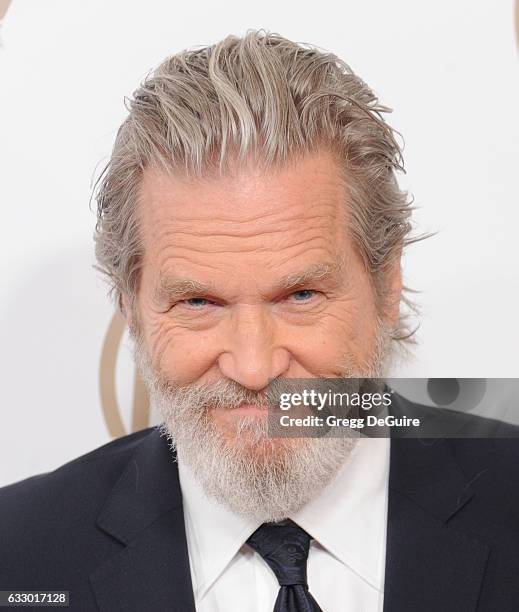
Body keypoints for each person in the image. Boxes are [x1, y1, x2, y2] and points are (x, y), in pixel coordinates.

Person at [1, 30, 518, 612]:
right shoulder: (15, 555)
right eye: (198, 303)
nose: (252, 366)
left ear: (386, 284)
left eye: (300, 295)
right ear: (130, 308)